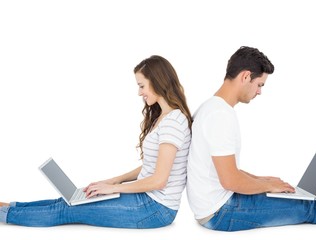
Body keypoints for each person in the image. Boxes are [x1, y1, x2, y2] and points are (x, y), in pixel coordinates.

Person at [0, 55, 192, 228]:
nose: (139, 92)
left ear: (158, 82)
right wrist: (114, 180)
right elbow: (150, 167)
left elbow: (159, 180)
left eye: (142, 86)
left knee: (67, 210)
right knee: (69, 200)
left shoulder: (173, 122)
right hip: (145, 200)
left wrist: (113, 188)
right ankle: (10, 207)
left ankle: (5, 214)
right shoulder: (164, 118)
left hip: (154, 209)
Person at [186, 46, 316, 231]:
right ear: (246, 77)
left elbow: (223, 170)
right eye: (259, 84)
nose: (259, 92)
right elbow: (230, 181)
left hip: (214, 207)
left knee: (303, 199)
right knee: (307, 207)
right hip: (221, 212)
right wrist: (265, 185)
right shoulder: (220, 115)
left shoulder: (210, 108)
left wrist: (261, 180)